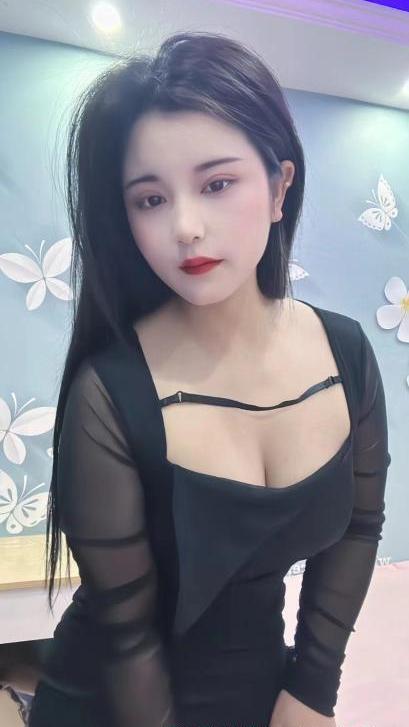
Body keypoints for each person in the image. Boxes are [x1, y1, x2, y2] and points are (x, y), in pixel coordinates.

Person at [28, 30, 391, 727]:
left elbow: (359, 524)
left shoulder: (344, 354)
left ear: (279, 187)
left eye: (216, 184)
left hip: (260, 687)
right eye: (149, 200)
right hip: (114, 702)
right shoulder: (110, 392)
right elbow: (128, 637)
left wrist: (313, 687)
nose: (185, 227)